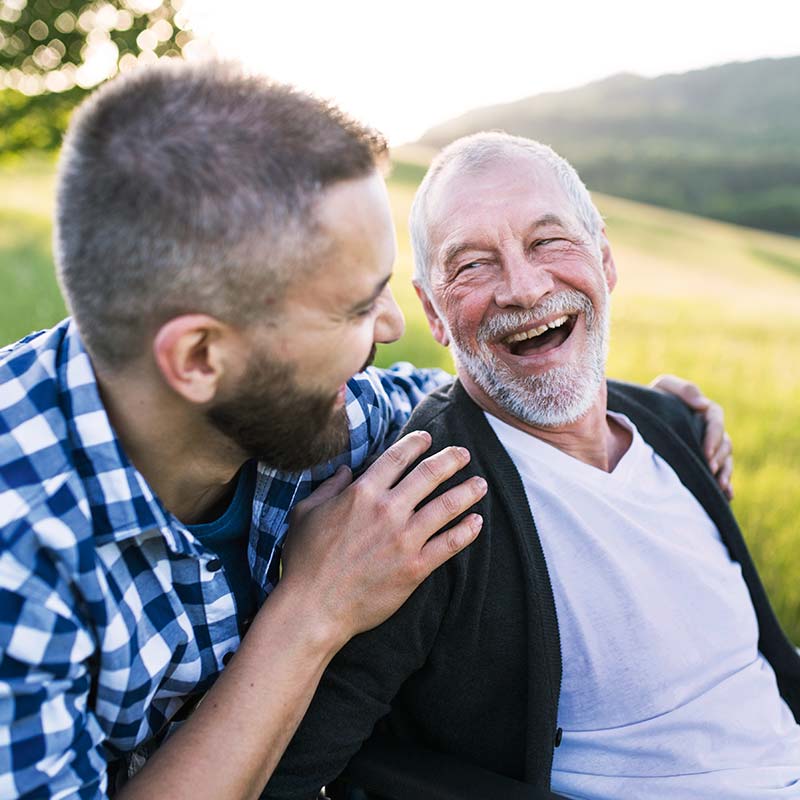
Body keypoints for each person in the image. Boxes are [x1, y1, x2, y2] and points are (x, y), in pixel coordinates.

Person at [0, 62, 729, 800]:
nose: (391, 328)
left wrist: (650, 414)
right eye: (354, 309)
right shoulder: (20, 556)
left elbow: (465, 394)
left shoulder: (315, 411)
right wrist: (311, 611)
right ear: (199, 357)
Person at [263, 133, 800, 800]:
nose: (523, 288)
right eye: (472, 266)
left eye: (548, 242)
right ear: (431, 310)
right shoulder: (426, 509)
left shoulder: (676, 428)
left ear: (604, 259)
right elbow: (291, 774)